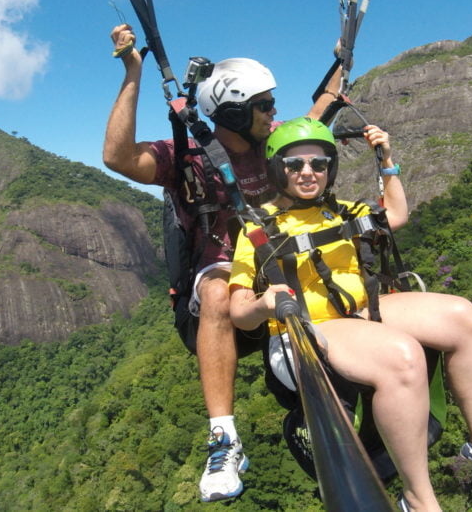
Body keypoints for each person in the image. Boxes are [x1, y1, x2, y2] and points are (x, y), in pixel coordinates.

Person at [228, 117, 472, 511]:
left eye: (319, 163)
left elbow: (395, 215)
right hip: (304, 330)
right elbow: (239, 312)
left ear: (330, 168)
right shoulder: (258, 228)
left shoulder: (343, 211)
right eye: (295, 164)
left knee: (463, 316)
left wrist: (387, 160)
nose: (308, 172)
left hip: (358, 312)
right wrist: (263, 303)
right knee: (403, 356)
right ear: (278, 169)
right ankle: (419, 497)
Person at [102, 24, 338, 502]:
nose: (274, 113)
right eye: (265, 106)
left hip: (278, 261)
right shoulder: (186, 156)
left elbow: (318, 112)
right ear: (233, 111)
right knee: (214, 291)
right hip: (225, 267)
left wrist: (340, 58)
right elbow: (118, 157)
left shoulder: (276, 145)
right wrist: (132, 72)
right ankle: (224, 438)